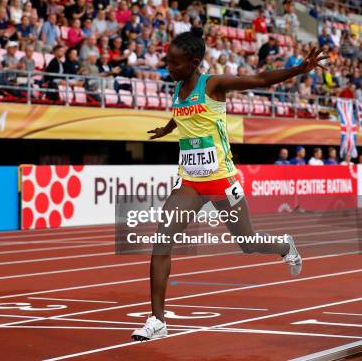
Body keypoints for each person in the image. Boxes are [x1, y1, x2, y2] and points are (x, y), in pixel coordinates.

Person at [135, 27, 327, 341]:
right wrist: (167, 128)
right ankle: (157, 321)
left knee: (248, 243)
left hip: (222, 180)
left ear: (195, 61)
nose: (167, 68)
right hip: (191, 182)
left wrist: (299, 70)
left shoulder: (214, 84)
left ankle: (284, 245)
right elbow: (182, 116)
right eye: (166, 62)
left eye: (174, 63)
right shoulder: (177, 86)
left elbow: (260, 80)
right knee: (162, 241)